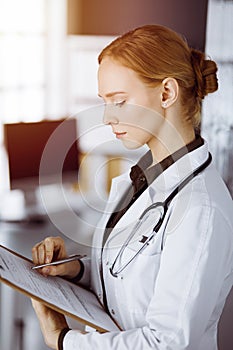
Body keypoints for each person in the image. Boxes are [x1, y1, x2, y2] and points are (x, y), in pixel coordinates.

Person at [31, 24, 233, 350]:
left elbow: (167, 343)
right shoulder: (141, 177)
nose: (107, 117)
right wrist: (78, 270)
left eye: (119, 101)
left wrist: (63, 341)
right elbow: (136, 277)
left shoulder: (200, 209)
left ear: (166, 93)